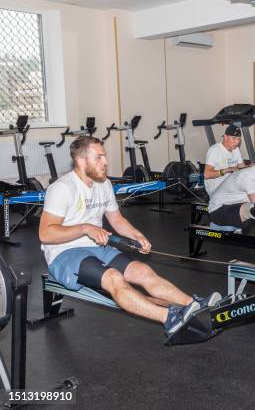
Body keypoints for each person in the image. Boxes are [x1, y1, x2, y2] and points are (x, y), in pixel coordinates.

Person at [39, 136, 221, 338]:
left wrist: (137, 235)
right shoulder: (62, 188)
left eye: (104, 156)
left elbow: (116, 220)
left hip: (98, 247)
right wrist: (84, 228)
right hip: (65, 252)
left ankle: (194, 306)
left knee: (143, 271)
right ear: (81, 161)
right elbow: (46, 234)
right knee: (114, 278)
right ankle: (170, 318)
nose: (105, 162)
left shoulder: (104, 184)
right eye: (98, 158)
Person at [204, 125, 247, 196]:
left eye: (239, 139)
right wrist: (227, 170)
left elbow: (242, 168)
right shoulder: (215, 150)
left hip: (231, 185)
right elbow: (207, 175)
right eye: (234, 138)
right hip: (216, 188)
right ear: (225, 137)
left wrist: (253, 167)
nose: (237, 142)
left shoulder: (236, 150)